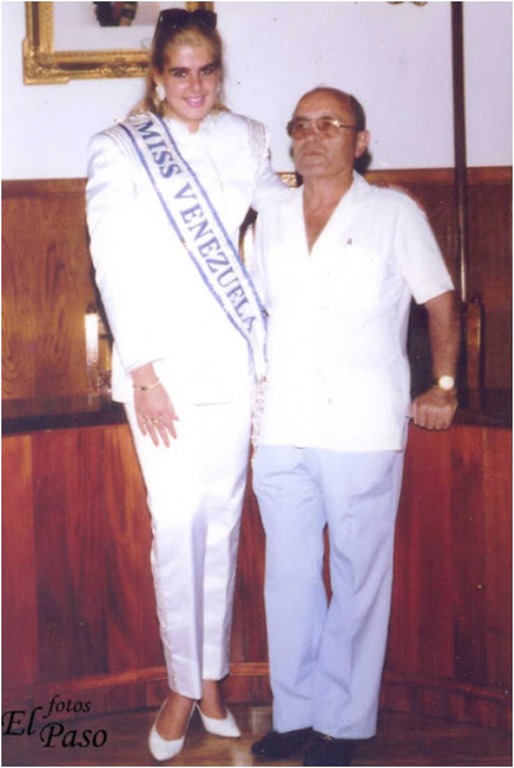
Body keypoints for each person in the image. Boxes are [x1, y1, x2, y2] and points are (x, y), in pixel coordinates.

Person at [86, 8, 287, 762]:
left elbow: (278, 224)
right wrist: (141, 372)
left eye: (206, 72)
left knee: (224, 519)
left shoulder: (249, 138)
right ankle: (178, 686)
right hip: (160, 369)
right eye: (180, 73)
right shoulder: (119, 148)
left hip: (229, 357)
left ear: (219, 73)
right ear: (158, 76)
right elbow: (111, 263)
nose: (194, 86)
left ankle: (211, 680)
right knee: (177, 522)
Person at [250, 87, 460, 767]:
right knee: (288, 576)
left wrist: (443, 385)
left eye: (330, 125)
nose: (312, 137)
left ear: (360, 142)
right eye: (301, 126)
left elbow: (441, 301)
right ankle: (296, 715)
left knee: (357, 575)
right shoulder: (271, 213)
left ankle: (342, 724)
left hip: (363, 423)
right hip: (282, 421)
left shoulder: (393, 214)